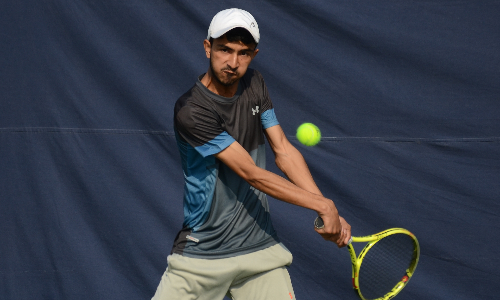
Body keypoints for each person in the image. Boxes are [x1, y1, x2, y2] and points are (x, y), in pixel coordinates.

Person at [152, 8, 351, 300]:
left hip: (260, 250)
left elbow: (283, 150)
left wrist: (324, 205)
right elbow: (251, 173)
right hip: (203, 253)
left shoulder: (254, 84)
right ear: (208, 48)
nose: (233, 62)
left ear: (254, 55)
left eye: (243, 53)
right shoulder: (191, 111)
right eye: (225, 50)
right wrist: (324, 206)